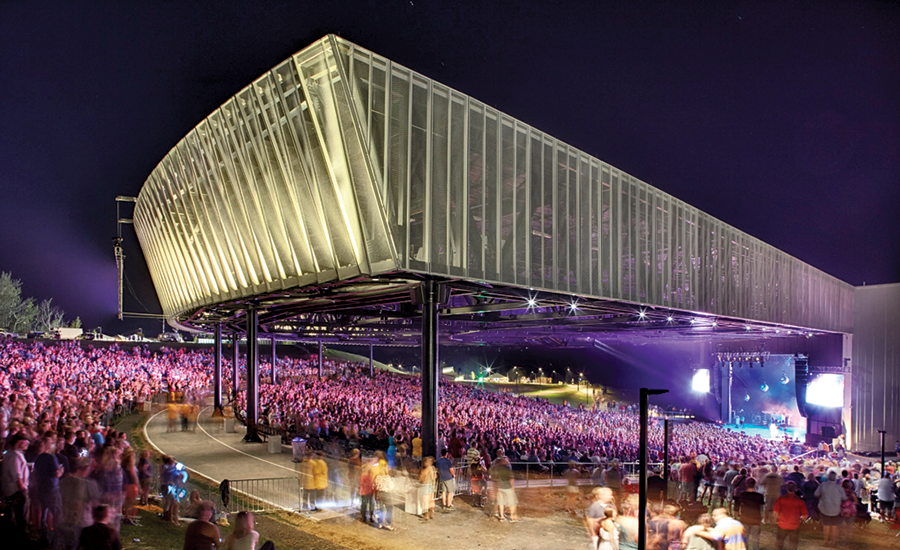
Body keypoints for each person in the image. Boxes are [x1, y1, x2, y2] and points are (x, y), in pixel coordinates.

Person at [814, 470, 846, 546]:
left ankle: (826, 541)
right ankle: (833, 541)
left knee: (826, 525)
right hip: (836, 509)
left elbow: (816, 494)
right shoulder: (839, 487)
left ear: (828, 477)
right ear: (835, 478)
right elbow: (844, 498)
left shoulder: (822, 485)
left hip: (825, 508)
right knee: (835, 526)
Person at [772, 481, 807, 550]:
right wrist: (800, 520)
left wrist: (777, 520)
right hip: (795, 525)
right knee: (793, 545)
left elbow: (775, 512)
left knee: (779, 543)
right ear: (795, 489)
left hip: (782, 524)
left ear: (786, 488)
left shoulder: (781, 499)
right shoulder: (800, 501)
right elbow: (805, 515)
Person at [733, 477, 763, 550]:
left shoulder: (741, 495)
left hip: (744, 519)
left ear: (746, 484)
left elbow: (736, 508)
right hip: (756, 519)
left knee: (744, 538)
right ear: (755, 484)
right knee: (755, 539)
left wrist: (735, 517)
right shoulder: (759, 496)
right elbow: (762, 507)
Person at [418, 456, 437, 520]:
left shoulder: (426, 469)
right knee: (431, 500)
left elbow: (421, 478)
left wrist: (420, 473)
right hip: (431, 486)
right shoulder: (433, 468)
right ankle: (432, 513)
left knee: (425, 501)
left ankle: (426, 515)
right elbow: (435, 477)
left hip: (426, 485)